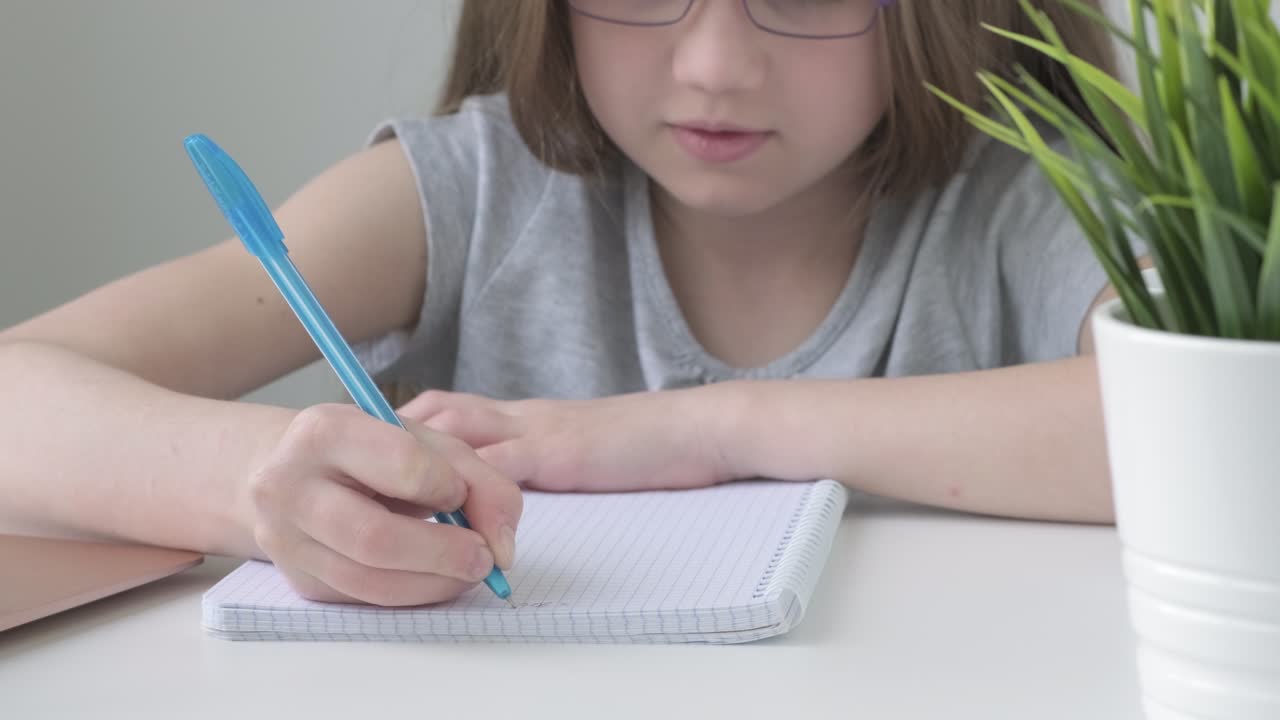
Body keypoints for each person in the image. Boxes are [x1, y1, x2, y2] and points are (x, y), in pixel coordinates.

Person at [0, 0, 1126, 607]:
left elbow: (1227, 434)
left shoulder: (1030, 193)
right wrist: (271, 491)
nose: (715, 64)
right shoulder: (465, 195)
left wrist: (711, 428)